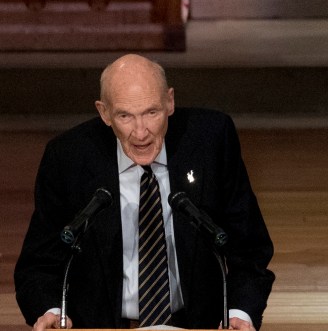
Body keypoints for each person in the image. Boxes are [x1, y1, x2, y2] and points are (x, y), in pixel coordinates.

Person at [14, 54, 275, 330]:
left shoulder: (211, 140)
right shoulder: (67, 157)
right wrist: (52, 310)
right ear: (104, 113)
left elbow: (249, 248)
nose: (141, 132)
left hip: (198, 324)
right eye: (125, 116)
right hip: (102, 326)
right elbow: (39, 263)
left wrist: (239, 312)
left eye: (152, 112)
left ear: (170, 102)